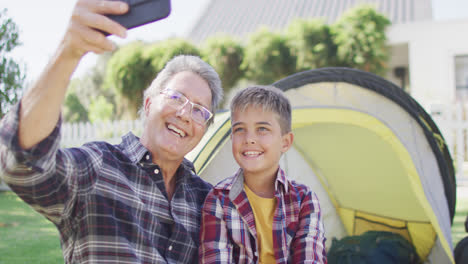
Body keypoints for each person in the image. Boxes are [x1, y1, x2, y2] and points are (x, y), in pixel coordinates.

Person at [0, 0, 223, 263]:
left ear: (204, 128)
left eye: (199, 110)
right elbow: (22, 162)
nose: (185, 114)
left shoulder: (207, 200)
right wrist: (68, 52)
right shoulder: (98, 168)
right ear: (149, 103)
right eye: (176, 97)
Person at [199, 85, 327, 263]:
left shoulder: (304, 200)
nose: (249, 138)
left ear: (285, 142)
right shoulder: (218, 200)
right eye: (239, 129)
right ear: (231, 138)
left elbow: (309, 258)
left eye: (262, 129)